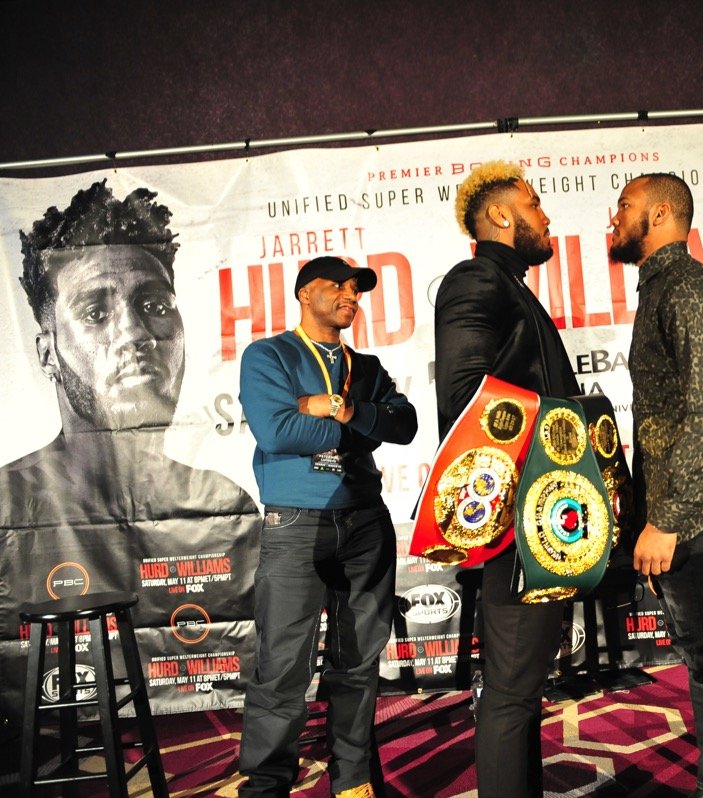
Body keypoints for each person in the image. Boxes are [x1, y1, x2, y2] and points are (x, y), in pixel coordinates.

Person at [0, 179, 258, 723]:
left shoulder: (224, 504)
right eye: (95, 314)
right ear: (47, 353)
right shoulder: (5, 508)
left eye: (155, 304)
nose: (136, 334)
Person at [238, 256, 418, 797]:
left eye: (356, 289)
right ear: (303, 293)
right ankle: (267, 786)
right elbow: (277, 431)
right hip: (297, 521)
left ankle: (354, 780)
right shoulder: (269, 354)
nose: (351, 296)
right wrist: (362, 423)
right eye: (337, 286)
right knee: (282, 669)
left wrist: (335, 408)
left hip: (364, 520)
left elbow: (404, 425)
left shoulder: (366, 367)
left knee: (358, 663)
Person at [612, 172, 703, 797]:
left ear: (663, 212)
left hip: (694, 512)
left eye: (624, 207)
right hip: (687, 507)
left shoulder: (687, 288)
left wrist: (666, 518)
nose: (612, 220)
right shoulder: (663, 288)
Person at [435, 161, 580, 798]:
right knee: (511, 696)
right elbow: (467, 400)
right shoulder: (476, 279)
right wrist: (559, 437)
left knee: (520, 694)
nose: (545, 216)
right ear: (501, 215)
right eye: (535, 203)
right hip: (519, 521)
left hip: (538, 516)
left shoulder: (512, 286)